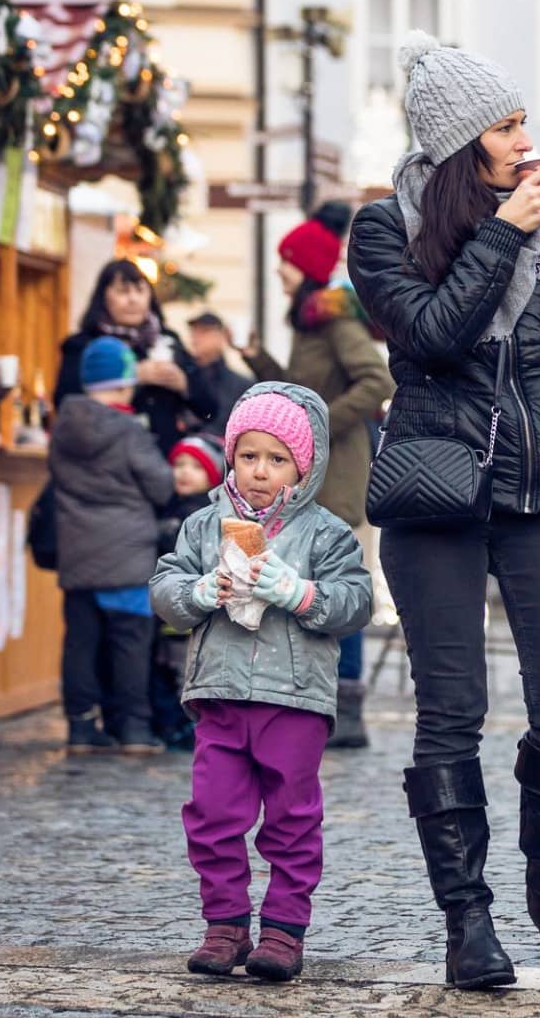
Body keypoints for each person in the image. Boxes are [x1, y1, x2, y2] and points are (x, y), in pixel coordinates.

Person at [347, 31, 540, 990]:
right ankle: (468, 920)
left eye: (522, 122)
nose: (525, 140)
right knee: (449, 712)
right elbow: (428, 333)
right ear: (464, 143)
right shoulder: (382, 229)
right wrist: (503, 231)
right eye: (506, 127)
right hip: (435, 490)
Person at [152, 383, 372, 983]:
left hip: (293, 699)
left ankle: (282, 930)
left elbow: (356, 601)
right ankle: (224, 924)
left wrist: (298, 593)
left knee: (291, 818)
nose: (260, 471)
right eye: (248, 456)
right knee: (213, 812)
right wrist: (197, 594)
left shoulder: (326, 533)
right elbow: (165, 590)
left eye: (277, 459)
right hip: (220, 696)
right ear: (231, 457)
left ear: (303, 467)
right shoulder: (203, 527)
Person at [244, 201, 395, 750]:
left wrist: (315, 426)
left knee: (337, 591)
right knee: (305, 590)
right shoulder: (307, 322)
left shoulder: (331, 318)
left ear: (305, 266)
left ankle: (347, 710)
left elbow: (376, 381)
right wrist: (262, 365)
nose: (279, 269)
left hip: (338, 481)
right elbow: (300, 389)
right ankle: (309, 703)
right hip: (311, 483)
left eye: (286, 261)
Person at [50, 337, 176, 755]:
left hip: (77, 552)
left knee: (80, 643)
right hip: (126, 555)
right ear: (124, 383)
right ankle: (133, 727)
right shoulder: (127, 432)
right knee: (130, 642)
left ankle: (81, 726)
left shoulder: (63, 424)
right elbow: (160, 485)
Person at [56, 258, 216, 456]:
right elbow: (65, 401)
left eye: (140, 291)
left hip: (162, 460)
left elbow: (210, 408)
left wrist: (184, 384)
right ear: (103, 298)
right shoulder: (83, 344)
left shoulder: (167, 341)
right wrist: (130, 375)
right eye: (123, 292)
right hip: (105, 457)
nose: (133, 299)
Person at [154, 432, 228, 750]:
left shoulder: (210, 516)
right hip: (170, 610)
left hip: (199, 610)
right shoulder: (166, 508)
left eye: (195, 467)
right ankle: (173, 725)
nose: (184, 473)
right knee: (169, 667)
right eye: (179, 464)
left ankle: (191, 729)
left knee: (190, 670)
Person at [185, 312, 253, 435]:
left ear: (221, 337)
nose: (196, 338)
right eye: (194, 332)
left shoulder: (241, 384)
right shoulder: (184, 375)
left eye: (204, 332)